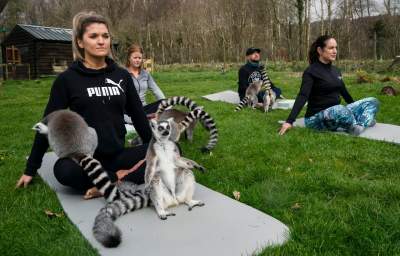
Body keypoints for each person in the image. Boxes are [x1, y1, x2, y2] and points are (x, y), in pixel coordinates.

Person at [16, 11, 151, 193]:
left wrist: (155, 147)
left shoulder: (122, 76)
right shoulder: (67, 79)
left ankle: (109, 180)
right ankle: (114, 178)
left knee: (173, 149)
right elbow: (48, 122)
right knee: (63, 171)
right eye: (93, 36)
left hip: (118, 155)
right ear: (80, 42)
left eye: (105, 36)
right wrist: (30, 169)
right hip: (84, 159)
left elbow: (138, 116)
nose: (101, 41)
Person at [279, 35, 379, 135]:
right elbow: (303, 96)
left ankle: (358, 123)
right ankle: (360, 123)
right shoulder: (311, 71)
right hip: (316, 118)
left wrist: (357, 108)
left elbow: (344, 93)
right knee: (339, 110)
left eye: (336, 48)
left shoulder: (336, 71)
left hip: (336, 112)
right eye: (331, 48)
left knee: (373, 101)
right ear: (320, 50)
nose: (335, 51)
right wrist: (289, 121)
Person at [126, 44, 165, 115]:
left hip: (144, 108)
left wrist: (166, 104)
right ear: (129, 58)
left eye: (139, 58)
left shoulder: (145, 74)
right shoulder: (123, 74)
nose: (137, 60)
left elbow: (156, 90)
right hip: (129, 110)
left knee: (164, 102)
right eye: (135, 58)